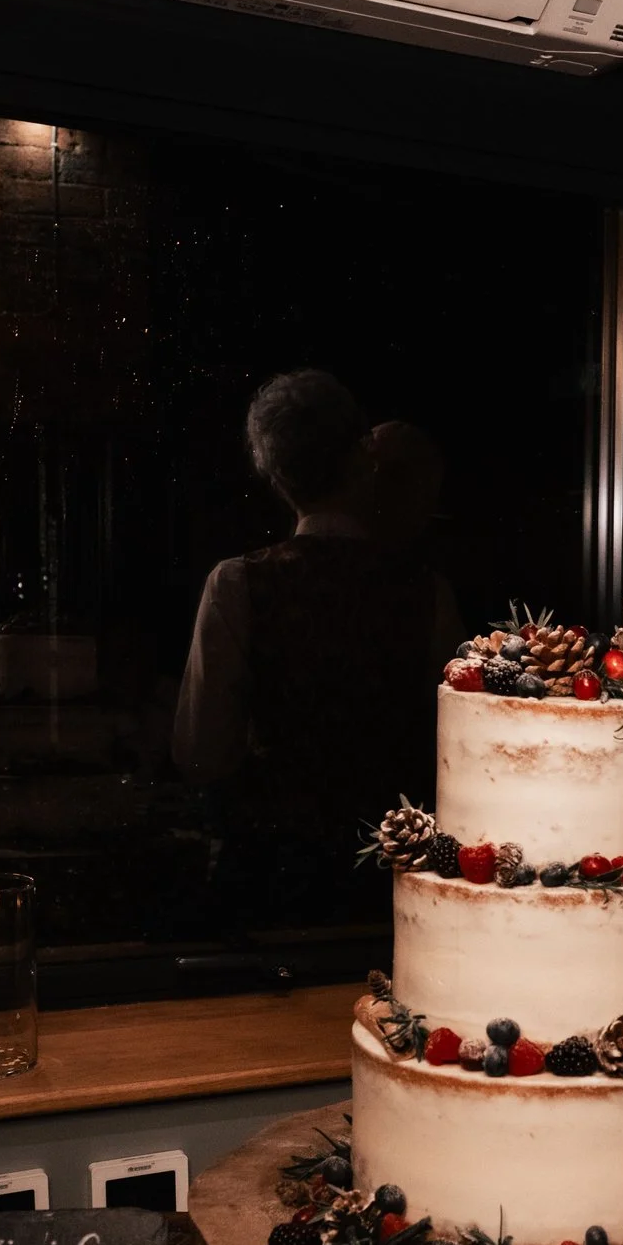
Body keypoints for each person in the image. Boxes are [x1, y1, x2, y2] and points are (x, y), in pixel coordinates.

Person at [174, 371, 459, 924]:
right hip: (393, 871)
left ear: (274, 475)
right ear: (361, 459)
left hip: (271, 872)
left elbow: (201, 754)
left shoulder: (236, 585)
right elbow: (447, 743)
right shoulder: (428, 593)